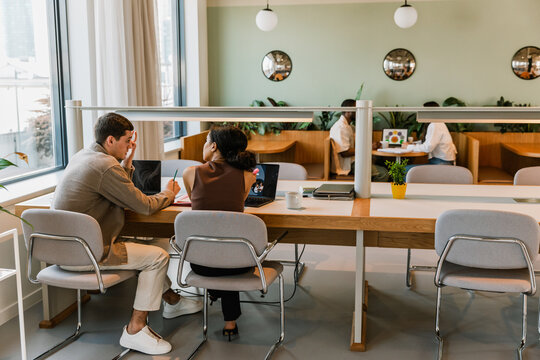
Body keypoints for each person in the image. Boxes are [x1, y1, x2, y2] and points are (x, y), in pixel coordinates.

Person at [53, 113, 202, 355]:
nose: (130, 145)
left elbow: (118, 189)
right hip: (87, 254)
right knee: (157, 256)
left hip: (63, 250)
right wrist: (169, 194)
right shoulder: (105, 165)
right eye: (127, 141)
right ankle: (136, 328)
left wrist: (128, 159)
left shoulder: (83, 156)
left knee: (137, 245)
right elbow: (144, 205)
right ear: (110, 140)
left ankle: (172, 300)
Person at [182, 125, 257, 341]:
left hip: (200, 262)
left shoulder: (190, 173)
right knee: (229, 247)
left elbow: (197, 205)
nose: (204, 145)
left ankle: (215, 292)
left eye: (206, 141)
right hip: (238, 263)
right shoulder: (247, 177)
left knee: (216, 247)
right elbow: (235, 210)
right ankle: (230, 321)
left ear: (214, 146)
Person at [330, 99, 389, 182]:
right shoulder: (341, 128)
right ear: (348, 111)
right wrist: (369, 147)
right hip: (348, 166)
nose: (358, 112)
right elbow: (345, 153)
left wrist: (370, 145)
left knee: (380, 161)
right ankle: (370, 192)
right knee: (383, 173)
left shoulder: (347, 126)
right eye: (356, 109)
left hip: (352, 161)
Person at [404, 101, 457, 171]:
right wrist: (413, 144)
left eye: (423, 111)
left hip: (442, 164)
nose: (421, 113)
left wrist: (408, 147)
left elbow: (427, 148)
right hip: (441, 162)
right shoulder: (437, 123)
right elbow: (428, 141)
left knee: (404, 170)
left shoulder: (435, 124)